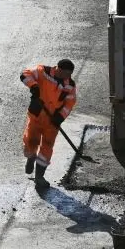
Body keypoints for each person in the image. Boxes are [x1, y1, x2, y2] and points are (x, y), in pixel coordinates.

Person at [20, 59, 77, 190]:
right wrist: (34, 86)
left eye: (70, 75)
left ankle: (39, 177)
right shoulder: (42, 72)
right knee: (31, 141)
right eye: (66, 74)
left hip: (52, 121)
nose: (68, 77)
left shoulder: (70, 86)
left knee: (47, 147)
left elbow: (69, 104)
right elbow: (25, 74)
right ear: (59, 69)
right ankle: (31, 157)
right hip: (36, 115)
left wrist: (60, 117)